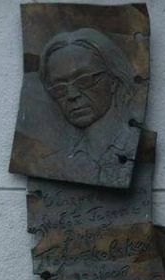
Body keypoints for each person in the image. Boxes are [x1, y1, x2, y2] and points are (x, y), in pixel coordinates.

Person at [34, 28, 141, 187]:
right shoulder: (50, 166)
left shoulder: (138, 147)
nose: (72, 95)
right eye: (59, 87)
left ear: (112, 80)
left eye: (84, 80)